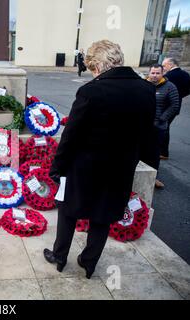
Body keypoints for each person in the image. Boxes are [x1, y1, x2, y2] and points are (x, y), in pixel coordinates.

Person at [43, 40, 156, 279]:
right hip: (120, 167)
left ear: (99, 64)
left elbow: (71, 134)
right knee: (103, 215)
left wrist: (58, 166)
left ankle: (60, 256)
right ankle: (89, 262)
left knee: (68, 210)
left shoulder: (91, 91)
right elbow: (146, 133)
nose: (93, 73)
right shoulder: (146, 90)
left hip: (84, 166)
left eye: (93, 67)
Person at [146, 64, 180, 189]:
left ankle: (153, 178)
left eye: (157, 73)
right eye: (153, 73)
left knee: (154, 154)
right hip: (143, 126)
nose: (155, 76)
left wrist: (162, 118)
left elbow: (175, 105)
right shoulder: (144, 85)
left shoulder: (170, 87)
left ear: (163, 73)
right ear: (149, 73)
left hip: (158, 127)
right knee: (140, 152)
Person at [161, 57, 190, 160]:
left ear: (171, 65)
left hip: (166, 106)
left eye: (164, 65)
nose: (163, 68)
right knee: (166, 126)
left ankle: (163, 152)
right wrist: (179, 95)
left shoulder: (169, 76)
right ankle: (162, 151)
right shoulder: (185, 74)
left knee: (163, 127)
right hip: (176, 105)